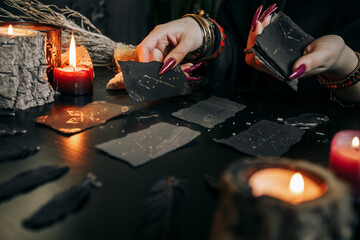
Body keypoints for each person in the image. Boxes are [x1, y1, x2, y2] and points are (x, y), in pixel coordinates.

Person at [137, 0, 360, 105]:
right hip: (226, 133)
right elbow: (239, 45)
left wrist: (345, 64)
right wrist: (204, 33)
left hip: (320, 153)